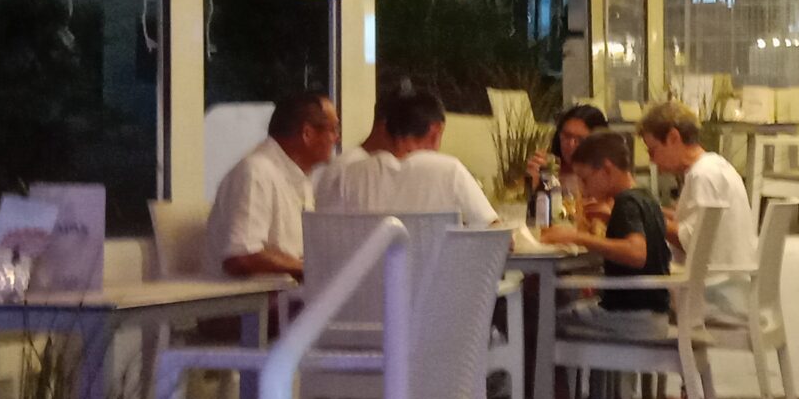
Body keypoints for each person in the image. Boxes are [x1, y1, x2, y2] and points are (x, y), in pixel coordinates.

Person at [540, 128, 673, 337]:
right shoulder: (645, 197)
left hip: (630, 316)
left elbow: (637, 253)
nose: (584, 189)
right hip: (654, 312)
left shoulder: (626, 202)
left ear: (606, 169)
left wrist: (576, 237)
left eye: (585, 179)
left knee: (543, 317)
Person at [319, 85, 499, 226]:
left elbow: (327, 236)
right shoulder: (449, 171)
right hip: (433, 265)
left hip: (366, 265)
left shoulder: (348, 176)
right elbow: (498, 236)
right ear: (435, 131)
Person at [638, 101, 758, 310]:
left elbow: (691, 241)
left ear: (673, 137)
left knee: (625, 302)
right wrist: (651, 210)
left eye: (653, 151)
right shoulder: (716, 165)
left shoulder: (703, 175)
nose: (652, 161)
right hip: (731, 286)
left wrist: (644, 216)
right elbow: (694, 220)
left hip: (716, 294)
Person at [207, 91, 339, 278]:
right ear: (307, 133)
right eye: (333, 129)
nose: (336, 138)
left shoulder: (300, 177)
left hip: (289, 293)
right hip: (251, 295)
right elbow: (241, 256)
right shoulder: (256, 172)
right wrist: (311, 269)